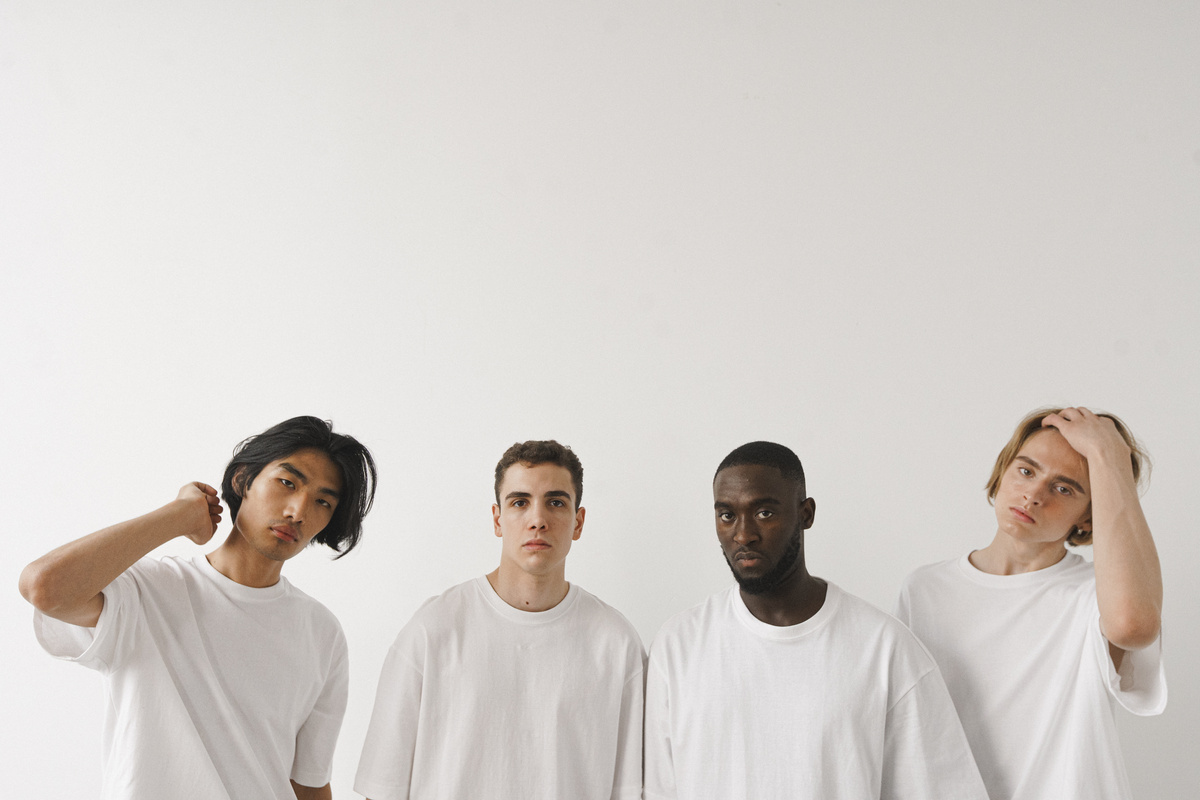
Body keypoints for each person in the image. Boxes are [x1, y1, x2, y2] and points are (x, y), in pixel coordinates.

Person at [19, 416, 377, 800]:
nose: (298, 511)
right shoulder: (147, 592)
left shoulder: (321, 631)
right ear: (243, 481)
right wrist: (177, 517)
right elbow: (44, 586)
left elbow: (308, 783)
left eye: (322, 501)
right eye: (287, 483)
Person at [644, 441, 988, 800]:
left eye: (764, 513)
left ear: (805, 513)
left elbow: (941, 788)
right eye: (727, 515)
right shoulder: (679, 644)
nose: (743, 535)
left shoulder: (884, 648)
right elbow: (658, 789)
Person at [895, 406, 1165, 800]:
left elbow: (1133, 627)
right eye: (1026, 470)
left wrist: (1110, 458)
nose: (1034, 494)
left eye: (1064, 488)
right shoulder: (925, 589)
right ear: (1004, 470)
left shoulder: (1094, 597)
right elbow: (904, 727)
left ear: (1088, 517)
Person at [355, 440, 643, 800]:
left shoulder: (616, 643)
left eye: (556, 502)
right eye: (520, 502)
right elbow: (382, 788)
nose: (538, 520)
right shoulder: (434, 629)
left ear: (578, 522)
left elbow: (630, 791)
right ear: (497, 519)